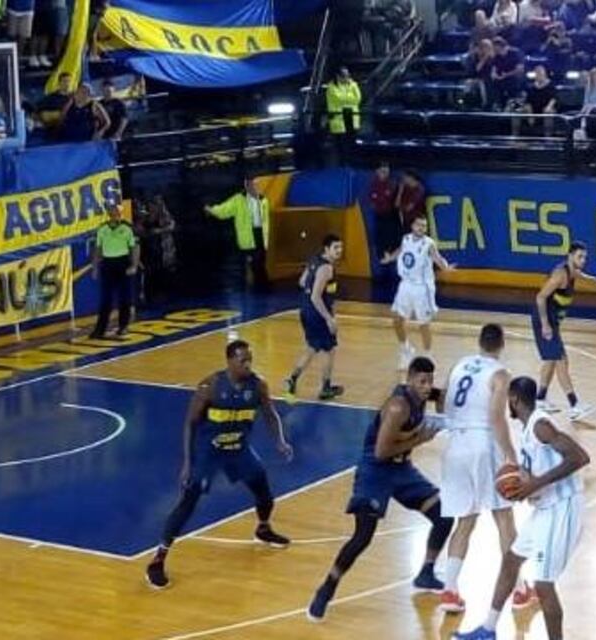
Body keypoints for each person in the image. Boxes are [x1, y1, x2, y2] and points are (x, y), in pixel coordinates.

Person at [306, 357, 454, 621]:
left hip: (402, 469)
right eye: (422, 381)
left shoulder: (424, 392)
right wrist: (420, 439)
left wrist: (445, 408)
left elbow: (442, 396)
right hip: (376, 469)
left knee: (443, 515)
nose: (427, 386)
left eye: (430, 380)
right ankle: (326, 588)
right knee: (363, 535)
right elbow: (382, 451)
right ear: (409, 380)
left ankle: (426, 573)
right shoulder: (398, 407)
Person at [145, 339, 294, 588]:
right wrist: (187, 463)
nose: (247, 365)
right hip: (209, 451)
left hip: (239, 448)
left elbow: (270, 414)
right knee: (188, 502)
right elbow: (190, 424)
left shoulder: (258, 386)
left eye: (250, 360)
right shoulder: (211, 386)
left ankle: (263, 528)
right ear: (229, 361)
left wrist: (280, 440)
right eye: (242, 360)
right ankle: (157, 560)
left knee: (264, 492)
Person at [453, 376, 589, 640]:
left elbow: (580, 457)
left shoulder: (541, 426)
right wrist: (519, 483)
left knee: (543, 585)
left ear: (514, 399)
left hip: (562, 508)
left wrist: (534, 483)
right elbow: (535, 469)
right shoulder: (528, 428)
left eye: (508, 400)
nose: (507, 405)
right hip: (545, 508)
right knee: (511, 560)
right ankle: (488, 630)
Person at [439, 324, 534, 614]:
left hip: (455, 444)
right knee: (504, 519)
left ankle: (450, 591)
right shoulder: (501, 374)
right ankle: (519, 590)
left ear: (479, 342)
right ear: (501, 345)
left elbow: (443, 401)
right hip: (483, 445)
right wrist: (510, 455)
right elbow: (496, 417)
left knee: (464, 521)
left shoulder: (459, 364)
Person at [532, 241, 596, 420]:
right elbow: (540, 297)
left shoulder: (573, 272)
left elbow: (589, 280)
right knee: (561, 360)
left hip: (553, 322)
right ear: (570, 256)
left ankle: (540, 399)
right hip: (544, 320)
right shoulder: (560, 274)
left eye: (585, 257)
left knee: (552, 360)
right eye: (579, 256)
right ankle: (574, 405)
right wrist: (545, 324)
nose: (583, 260)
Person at [382, 214, 455, 369]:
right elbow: (400, 251)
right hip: (405, 284)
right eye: (419, 225)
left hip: (422, 288)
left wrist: (445, 267)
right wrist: (390, 258)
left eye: (424, 226)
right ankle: (406, 350)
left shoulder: (429, 243)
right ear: (412, 226)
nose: (422, 228)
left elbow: (438, 258)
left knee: (423, 324)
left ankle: (428, 356)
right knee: (396, 320)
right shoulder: (406, 239)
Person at [284, 234, 346, 401]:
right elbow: (315, 297)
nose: (339, 251)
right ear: (327, 249)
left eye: (341, 247)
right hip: (318, 314)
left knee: (312, 347)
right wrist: (329, 318)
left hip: (305, 311)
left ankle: (292, 379)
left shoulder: (314, 260)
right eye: (336, 248)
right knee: (329, 350)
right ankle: (325, 388)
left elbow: (302, 282)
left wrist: (316, 286)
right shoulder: (326, 268)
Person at [206, 177, 271, 291]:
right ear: (246, 185)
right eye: (251, 184)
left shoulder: (263, 200)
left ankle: (262, 287)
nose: (254, 187)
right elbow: (224, 210)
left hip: (261, 235)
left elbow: (265, 220)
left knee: (260, 262)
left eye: (256, 185)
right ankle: (260, 287)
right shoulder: (238, 200)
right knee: (254, 263)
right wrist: (212, 210)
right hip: (248, 237)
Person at [89, 203, 140, 339]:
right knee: (106, 299)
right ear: (108, 213)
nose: (114, 213)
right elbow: (98, 249)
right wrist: (95, 268)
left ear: (119, 213)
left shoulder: (127, 228)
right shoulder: (102, 229)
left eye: (116, 211)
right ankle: (100, 330)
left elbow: (135, 247)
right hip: (108, 264)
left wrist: (134, 265)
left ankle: (123, 326)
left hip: (122, 263)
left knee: (125, 297)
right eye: (111, 211)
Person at [368, 161, 400, 262]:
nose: (385, 174)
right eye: (382, 171)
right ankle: (382, 255)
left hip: (392, 215)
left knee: (393, 235)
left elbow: (394, 200)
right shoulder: (374, 184)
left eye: (386, 171)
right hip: (380, 215)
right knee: (381, 236)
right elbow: (372, 201)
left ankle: (393, 254)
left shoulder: (393, 183)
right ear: (377, 172)